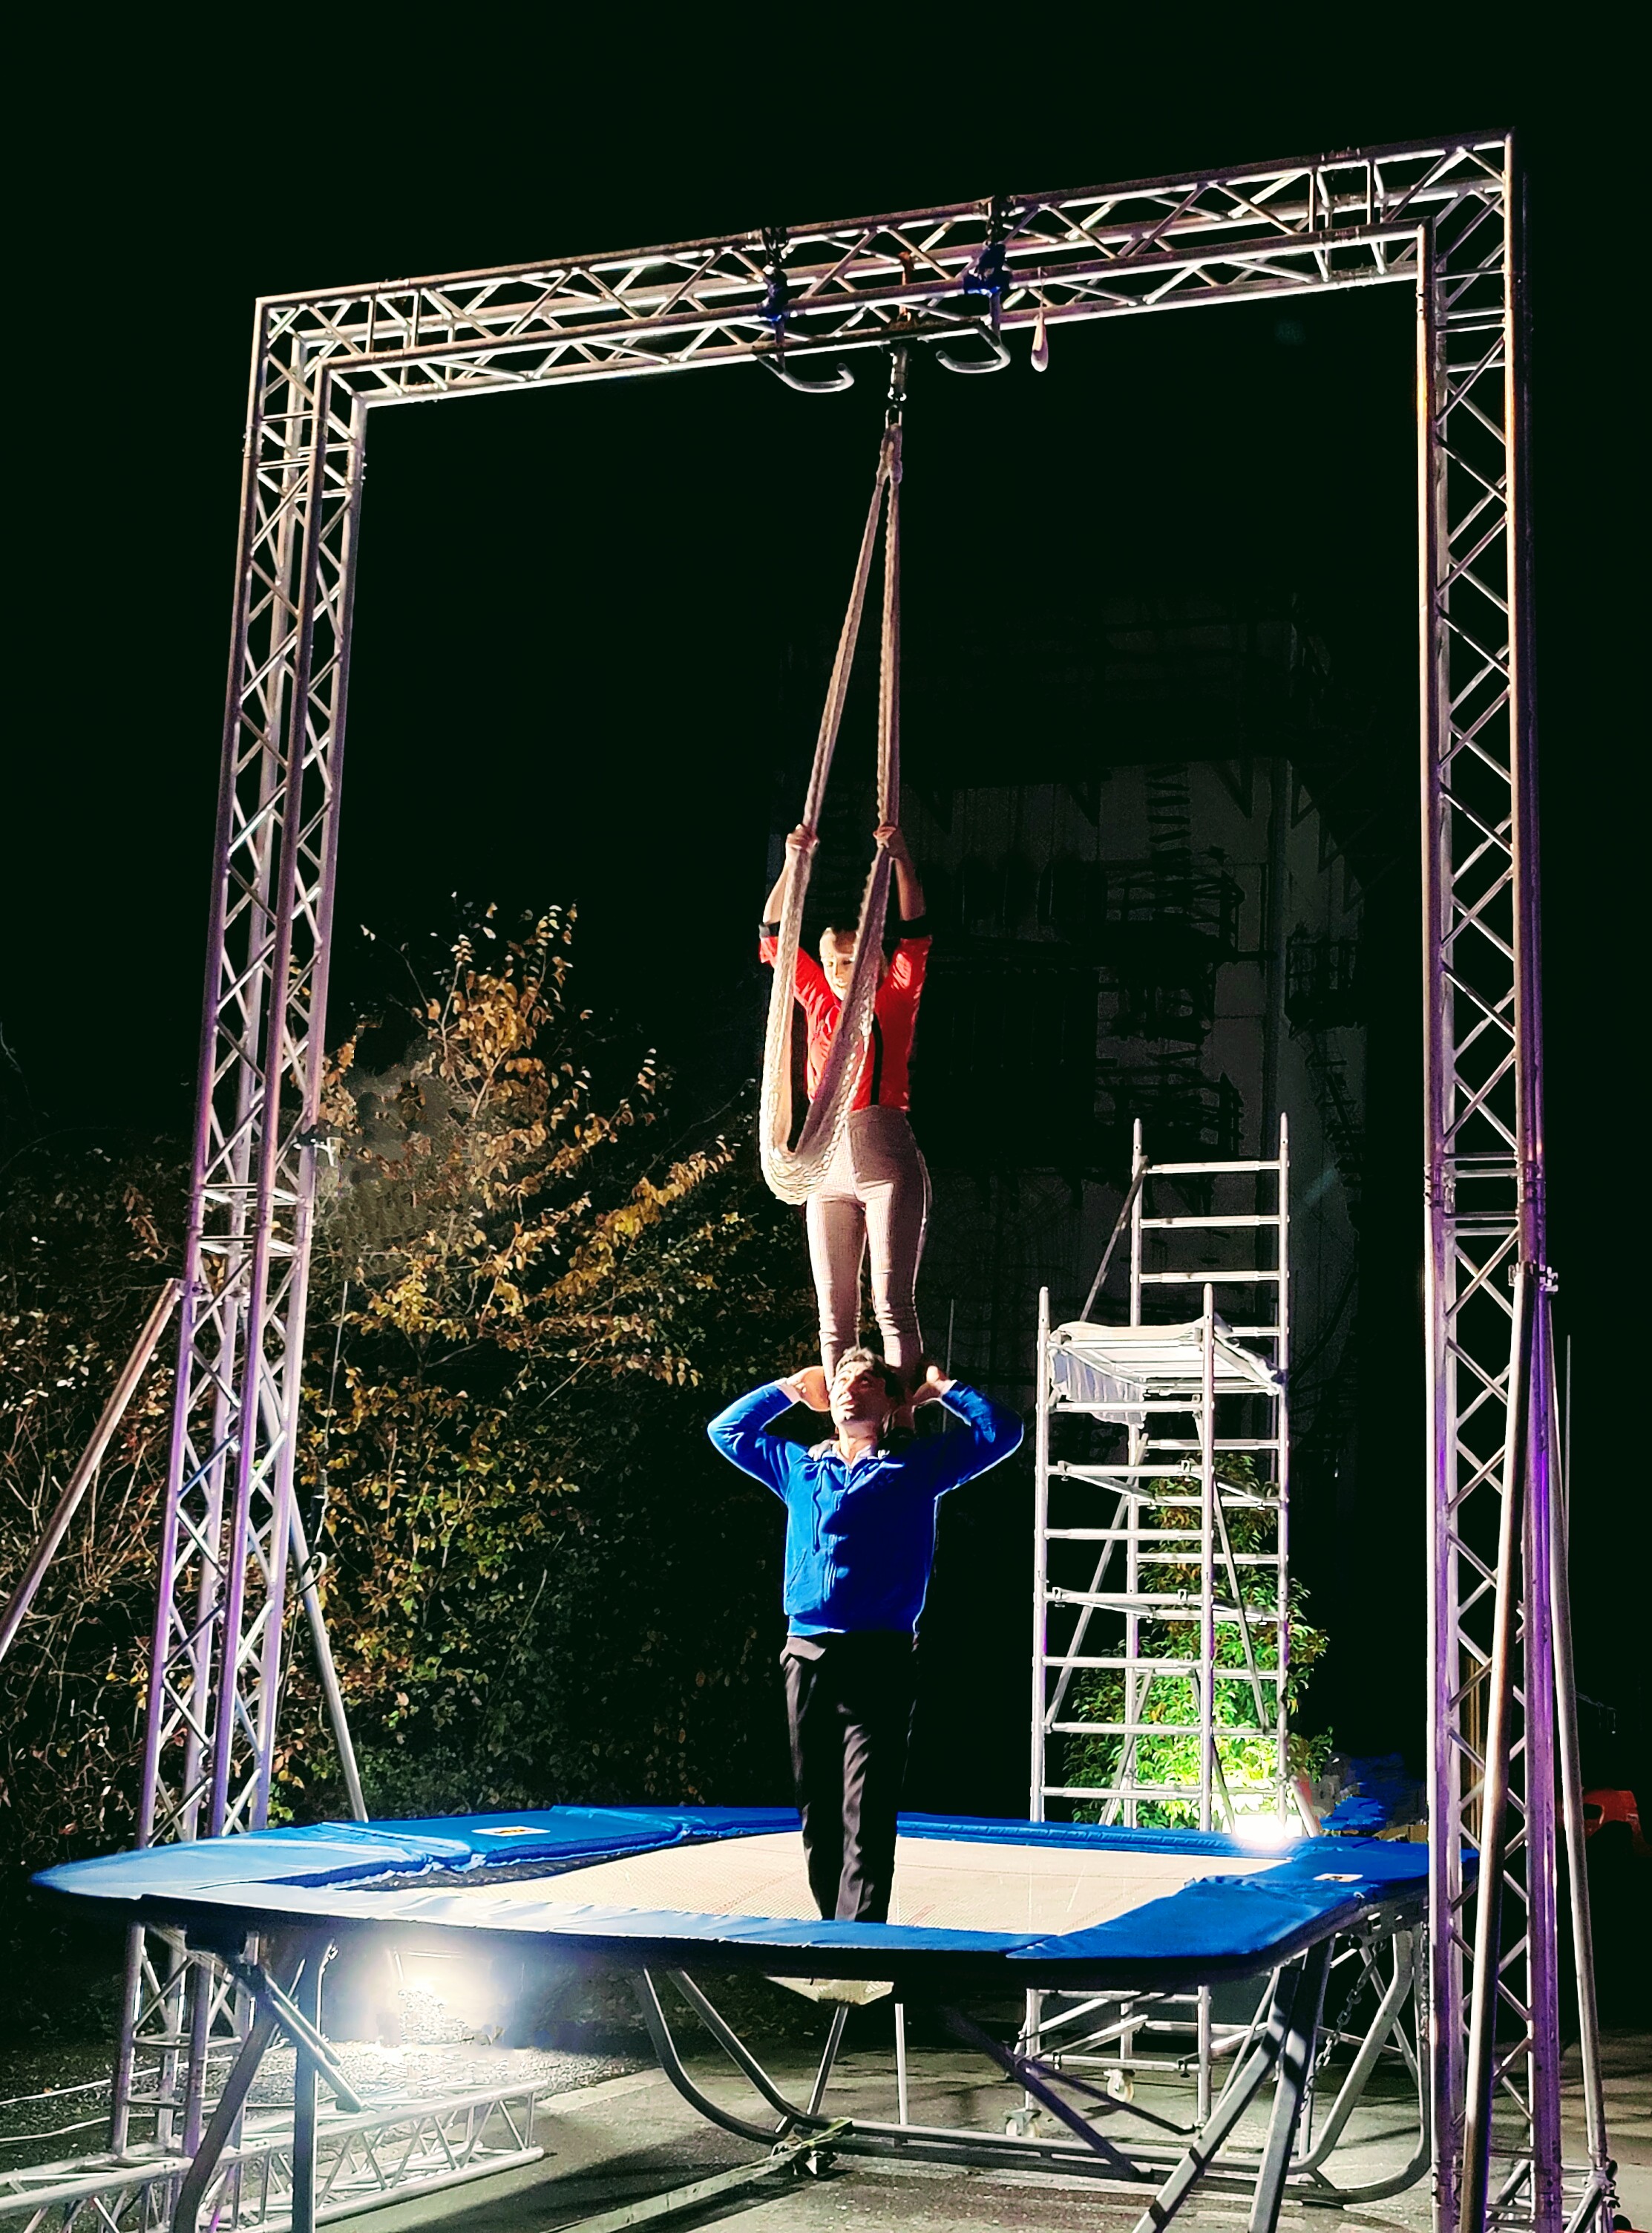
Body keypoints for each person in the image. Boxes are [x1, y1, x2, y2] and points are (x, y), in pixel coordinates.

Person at [707, 1347, 1023, 1923]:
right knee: (817, 1808)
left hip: (880, 1652)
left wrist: (943, 1389)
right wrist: (789, 1389)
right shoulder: (800, 1468)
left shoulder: (917, 1467)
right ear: (830, 1405)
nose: (851, 1386)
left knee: (868, 1805)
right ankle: (835, 1932)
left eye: (867, 1380)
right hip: (807, 1649)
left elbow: (1003, 1434)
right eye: (842, 1380)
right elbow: (725, 1430)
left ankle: (862, 1940)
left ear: (890, 1402)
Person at [760, 823, 932, 1381]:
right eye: (834, 963)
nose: (842, 972)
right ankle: (846, 1426)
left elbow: (917, 932)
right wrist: (793, 865)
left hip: (882, 1150)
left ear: (875, 962)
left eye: (854, 960)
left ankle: (901, 1420)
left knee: (892, 1305)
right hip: (826, 1161)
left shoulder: (896, 994)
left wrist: (900, 859)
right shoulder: (817, 996)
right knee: (834, 1320)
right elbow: (772, 936)